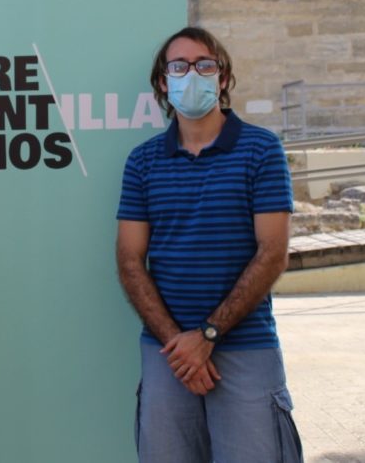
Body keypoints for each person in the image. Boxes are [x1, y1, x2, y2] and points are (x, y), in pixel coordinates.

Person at [116, 26, 303, 463]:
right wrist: (181, 347)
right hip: (168, 355)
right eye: (178, 66)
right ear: (163, 82)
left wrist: (209, 335)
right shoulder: (142, 161)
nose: (191, 75)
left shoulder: (261, 150)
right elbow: (129, 260)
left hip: (246, 348)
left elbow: (273, 252)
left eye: (204, 65)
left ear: (222, 78)